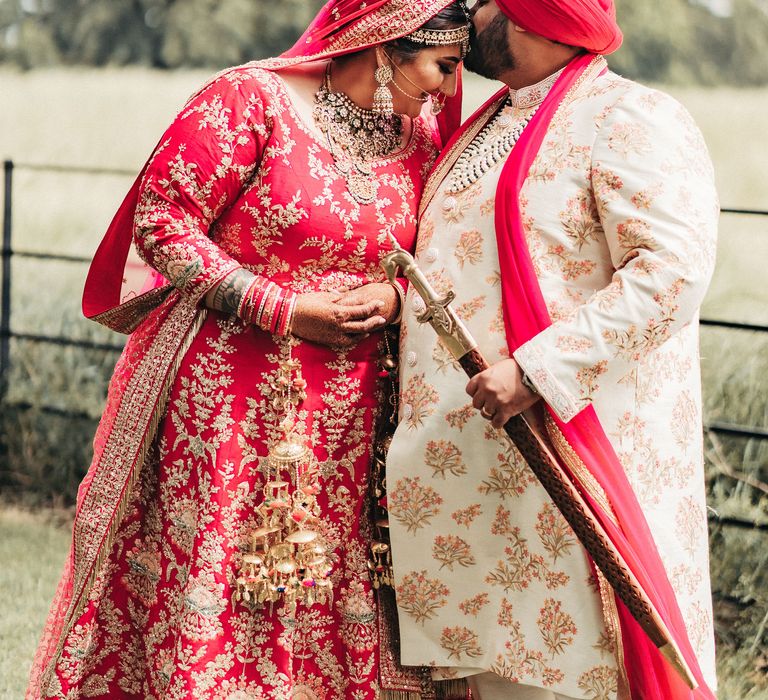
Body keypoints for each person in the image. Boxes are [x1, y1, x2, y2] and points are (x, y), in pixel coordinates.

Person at [26, 2, 471, 698]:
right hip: (223, 392)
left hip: (350, 410)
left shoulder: (420, 137)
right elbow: (163, 218)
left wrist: (390, 300)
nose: (451, 87)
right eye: (443, 65)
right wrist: (283, 309)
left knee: (324, 575)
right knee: (216, 563)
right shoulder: (250, 100)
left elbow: (426, 257)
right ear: (385, 47)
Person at [385, 0, 719, 698]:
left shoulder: (627, 117)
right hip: (475, 481)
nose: (467, 15)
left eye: (484, 4)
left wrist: (537, 370)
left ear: (532, 16)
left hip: (564, 467)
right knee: (500, 677)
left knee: (574, 677)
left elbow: (671, 273)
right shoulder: (488, 122)